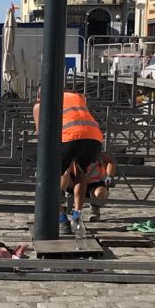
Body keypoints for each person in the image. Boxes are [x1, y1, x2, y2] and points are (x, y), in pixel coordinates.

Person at [33, 89, 104, 235]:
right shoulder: (76, 97)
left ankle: (62, 219)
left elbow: (42, 135)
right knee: (81, 173)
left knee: (48, 179)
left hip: (71, 137)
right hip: (94, 138)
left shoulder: (40, 104)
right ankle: (77, 216)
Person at [62, 152, 117, 222]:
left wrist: (110, 176)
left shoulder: (97, 147)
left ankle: (95, 208)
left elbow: (109, 161)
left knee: (101, 193)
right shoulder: (73, 146)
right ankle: (61, 201)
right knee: (63, 174)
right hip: (75, 181)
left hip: (94, 182)